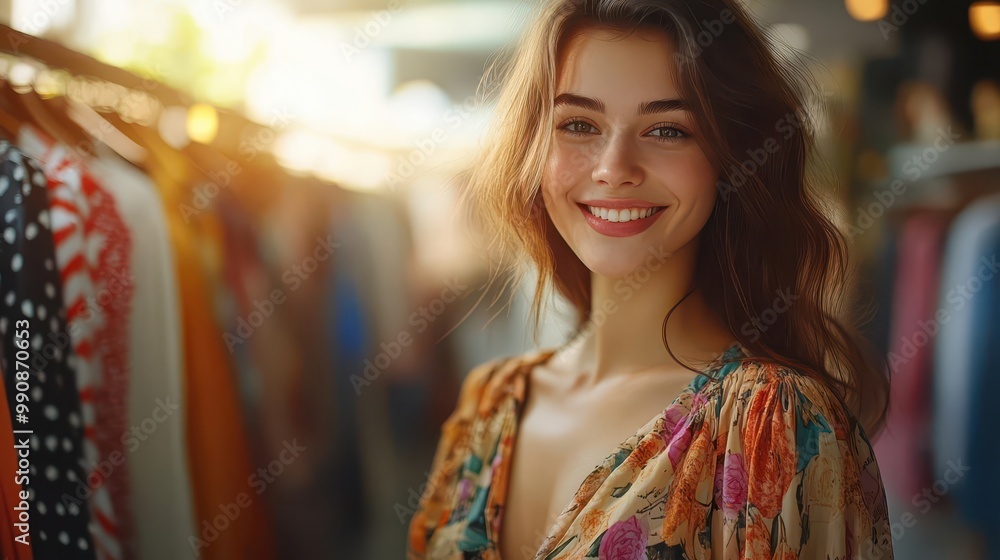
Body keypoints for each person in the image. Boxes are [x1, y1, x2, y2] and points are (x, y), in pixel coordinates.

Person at [407, 0, 894, 558]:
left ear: (731, 157)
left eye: (667, 129)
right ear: (533, 146)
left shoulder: (773, 424)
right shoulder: (488, 405)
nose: (614, 166)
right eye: (579, 125)